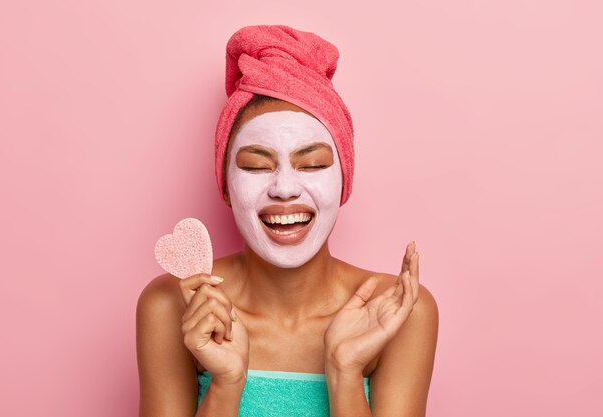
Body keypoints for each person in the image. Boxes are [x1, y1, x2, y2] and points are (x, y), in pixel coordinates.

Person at [136, 25, 438, 417]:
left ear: (344, 181)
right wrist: (227, 384)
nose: (284, 188)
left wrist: (345, 372)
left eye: (312, 164)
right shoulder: (172, 305)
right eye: (255, 166)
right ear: (225, 185)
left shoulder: (399, 309)